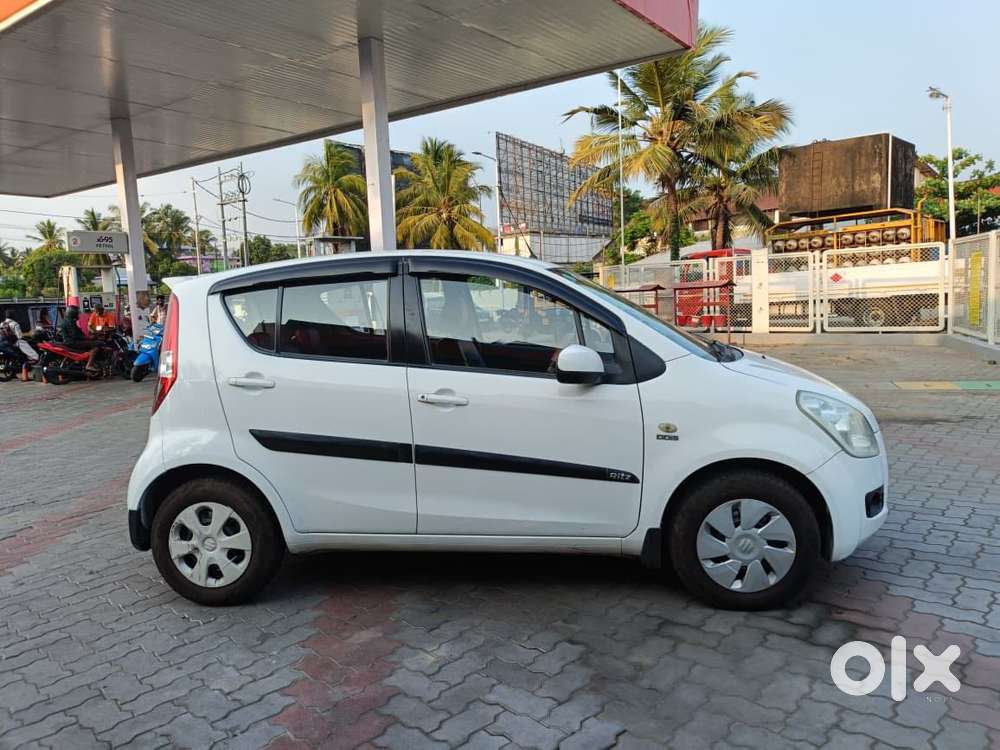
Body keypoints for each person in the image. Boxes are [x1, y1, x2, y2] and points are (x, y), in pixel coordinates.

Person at [59, 306, 100, 373]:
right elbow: (75, 335)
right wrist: (88, 338)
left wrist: (88, 337)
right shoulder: (70, 322)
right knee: (96, 346)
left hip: (69, 341)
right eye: (77, 313)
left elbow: (78, 332)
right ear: (73, 313)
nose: (78, 315)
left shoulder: (67, 320)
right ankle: (89, 365)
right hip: (72, 342)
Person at [1, 308, 39, 381]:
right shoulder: (15, 324)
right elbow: (20, 336)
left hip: (4, 343)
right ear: (13, 316)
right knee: (24, 343)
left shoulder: (2, 324)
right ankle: (34, 357)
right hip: (13, 343)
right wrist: (29, 334)